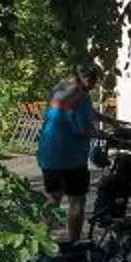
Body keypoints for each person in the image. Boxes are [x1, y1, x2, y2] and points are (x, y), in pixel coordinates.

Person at [34, 62, 99, 247]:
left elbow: (78, 111)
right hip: (71, 157)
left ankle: (40, 242)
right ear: (87, 78)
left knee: (52, 199)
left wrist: (109, 120)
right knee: (77, 201)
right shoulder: (83, 96)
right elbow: (82, 130)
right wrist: (106, 134)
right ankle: (74, 243)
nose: (94, 85)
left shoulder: (59, 89)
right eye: (93, 81)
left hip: (48, 154)